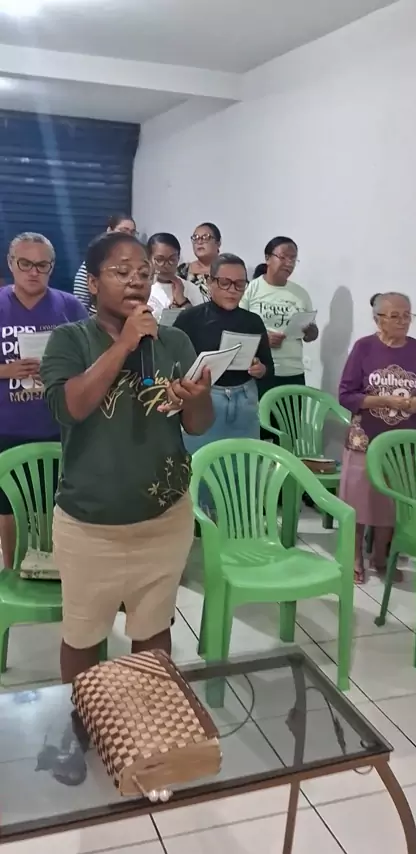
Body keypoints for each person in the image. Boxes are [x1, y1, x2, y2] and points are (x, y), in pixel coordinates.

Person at [41, 231, 213, 683]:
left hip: (164, 518)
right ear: (94, 283)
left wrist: (197, 398)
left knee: (153, 631)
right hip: (90, 523)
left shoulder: (174, 342)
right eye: (121, 272)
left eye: (142, 272)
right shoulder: (70, 340)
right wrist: (124, 345)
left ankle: (148, 714)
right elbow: (70, 407)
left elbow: (198, 425)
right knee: (83, 636)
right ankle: (80, 715)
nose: (136, 280)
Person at [0, 232, 87, 569]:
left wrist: (60, 370)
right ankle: (11, 567)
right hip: (7, 425)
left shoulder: (70, 307)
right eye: (25, 263)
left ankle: (57, 568)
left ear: (52, 267)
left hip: (58, 424)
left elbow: (92, 359)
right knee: (7, 506)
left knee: (58, 505)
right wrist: (6, 370)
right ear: (11, 263)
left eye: (42, 265)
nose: (33, 272)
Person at [338, 292, 416, 584]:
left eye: (407, 315)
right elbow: (346, 395)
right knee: (358, 500)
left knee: (390, 502)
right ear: (378, 319)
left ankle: (381, 557)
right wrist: (382, 401)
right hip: (365, 438)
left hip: (401, 441)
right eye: (394, 316)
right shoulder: (364, 347)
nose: (403, 321)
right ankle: (354, 557)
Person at [174, 252, 273, 456]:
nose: (233, 290)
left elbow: (268, 368)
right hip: (205, 400)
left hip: (244, 399)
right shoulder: (190, 319)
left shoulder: (253, 322)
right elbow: (172, 364)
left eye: (240, 284)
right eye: (225, 283)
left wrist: (260, 369)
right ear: (210, 282)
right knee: (201, 463)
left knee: (244, 464)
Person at [240, 236, 318, 400]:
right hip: (262, 371)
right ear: (268, 258)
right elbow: (238, 328)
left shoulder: (300, 294)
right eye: (283, 257)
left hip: (293, 371)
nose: (289, 263)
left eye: (293, 259)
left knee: (292, 417)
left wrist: (311, 332)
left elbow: (311, 334)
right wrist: (263, 340)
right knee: (261, 416)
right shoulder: (252, 289)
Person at [73, 214, 137, 313]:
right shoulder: (93, 262)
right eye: (123, 231)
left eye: (132, 232)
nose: (128, 236)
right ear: (109, 231)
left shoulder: (137, 265)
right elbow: (80, 305)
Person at [147, 232, 207, 320]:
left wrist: (182, 301)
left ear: (178, 258)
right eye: (160, 260)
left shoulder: (190, 288)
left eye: (172, 259)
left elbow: (202, 321)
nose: (166, 265)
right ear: (149, 259)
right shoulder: (144, 289)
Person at [177, 222, 221, 302]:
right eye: (195, 238)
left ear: (218, 243)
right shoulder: (183, 270)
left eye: (205, 237)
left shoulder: (229, 270)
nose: (199, 242)